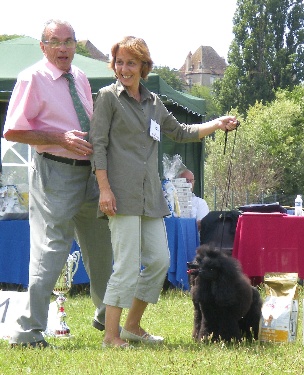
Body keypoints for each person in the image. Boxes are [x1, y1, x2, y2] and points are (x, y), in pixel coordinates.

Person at [89, 36, 239, 348]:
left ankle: (132, 326)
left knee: (159, 261)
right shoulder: (106, 98)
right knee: (127, 266)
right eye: (119, 62)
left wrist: (217, 123)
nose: (124, 68)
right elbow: (98, 147)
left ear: (144, 66)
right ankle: (111, 336)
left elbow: (181, 133)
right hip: (120, 196)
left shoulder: (154, 102)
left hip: (151, 198)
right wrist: (104, 189)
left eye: (131, 62)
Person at [3, 19, 113, 348]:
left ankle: (109, 320)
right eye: (56, 41)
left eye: (69, 41)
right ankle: (27, 332)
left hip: (89, 174)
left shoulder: (79, 76)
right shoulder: (31, 78)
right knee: (50, 252)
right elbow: (12, 131)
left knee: (102, 248)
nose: (63, 48)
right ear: (43, 46)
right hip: (54, 171)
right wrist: (58, 138)